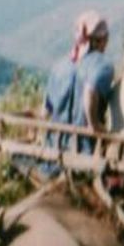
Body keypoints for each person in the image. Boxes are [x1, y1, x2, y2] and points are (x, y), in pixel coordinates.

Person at [42, 10, 115, 153]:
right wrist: (95, 126)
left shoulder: (59, 65)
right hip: (85, 149)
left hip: (53, 146)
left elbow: (45, 111)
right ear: (99, 40)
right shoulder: (103, 65)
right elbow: (89, 93)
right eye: (106, 37)